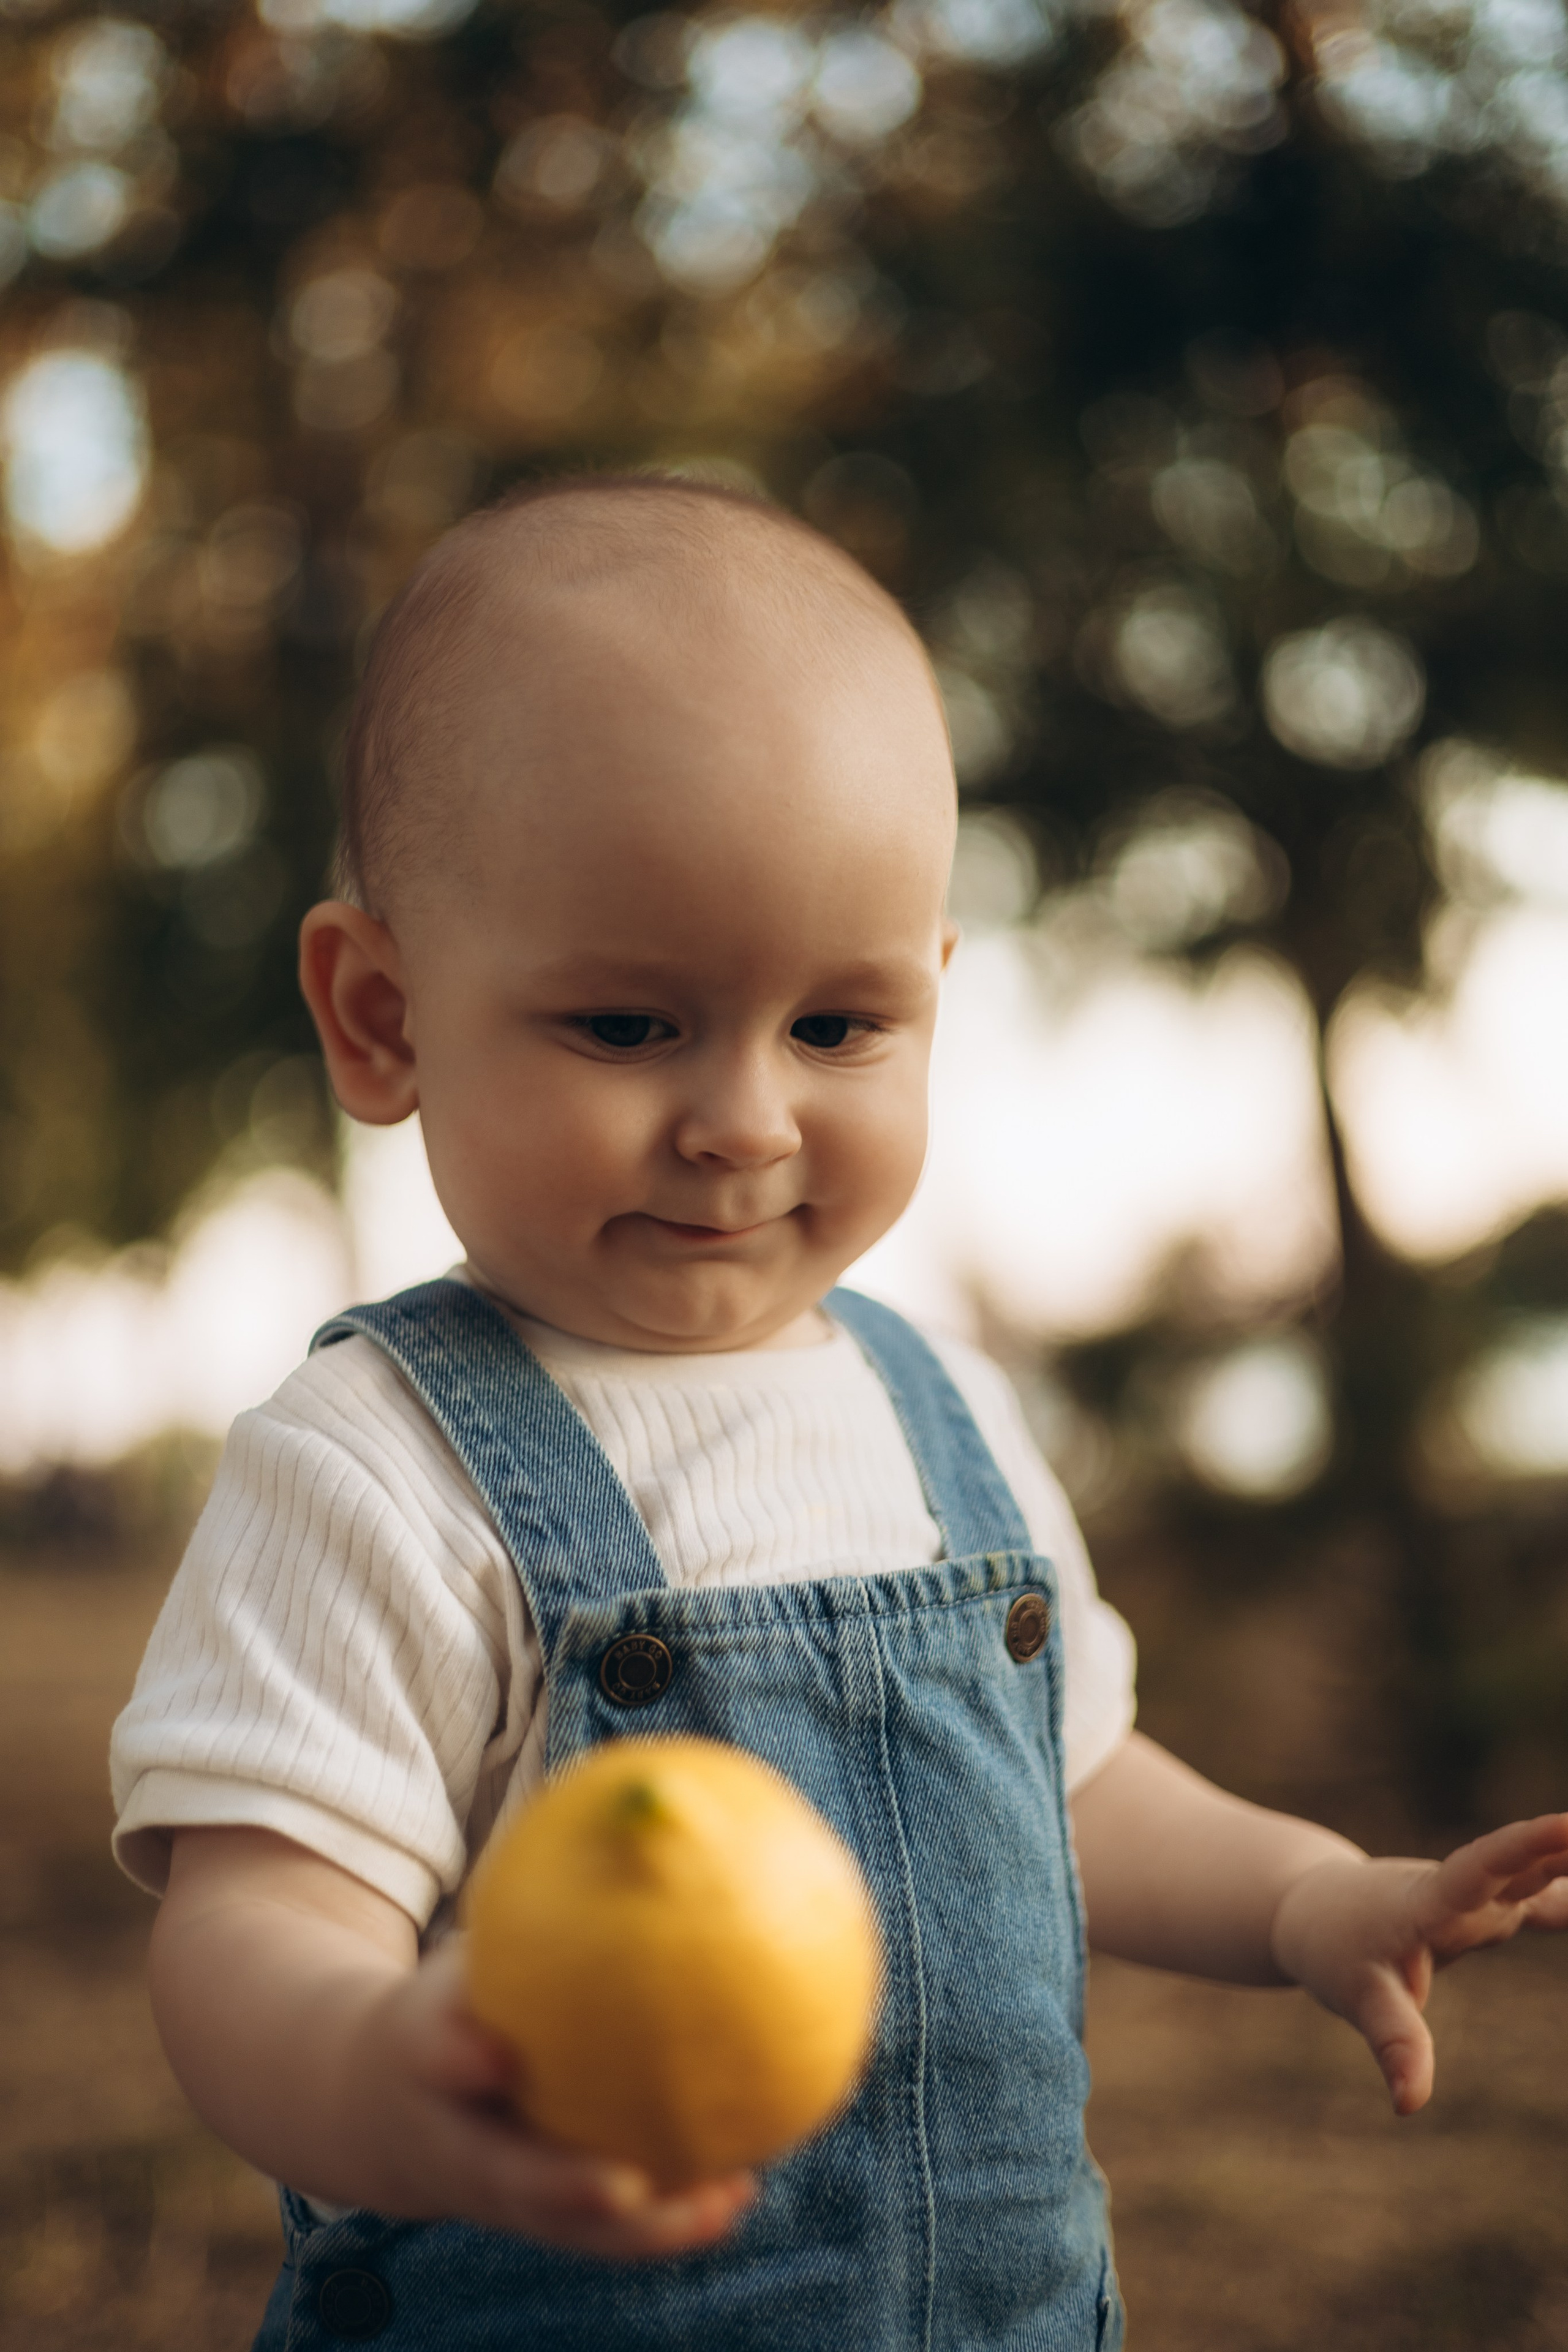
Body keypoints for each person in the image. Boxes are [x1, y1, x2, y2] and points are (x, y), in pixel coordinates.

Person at [111, 477, 1568, 2352]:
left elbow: (1078, 1785)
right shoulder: (376, 1473)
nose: (746, 1122)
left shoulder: (940, 1411)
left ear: (934, 998)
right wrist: (376, 2071)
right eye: (629, 1027)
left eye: (834, 1028)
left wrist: (1310, 1898)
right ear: (382, 1016)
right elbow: (249, 1932)